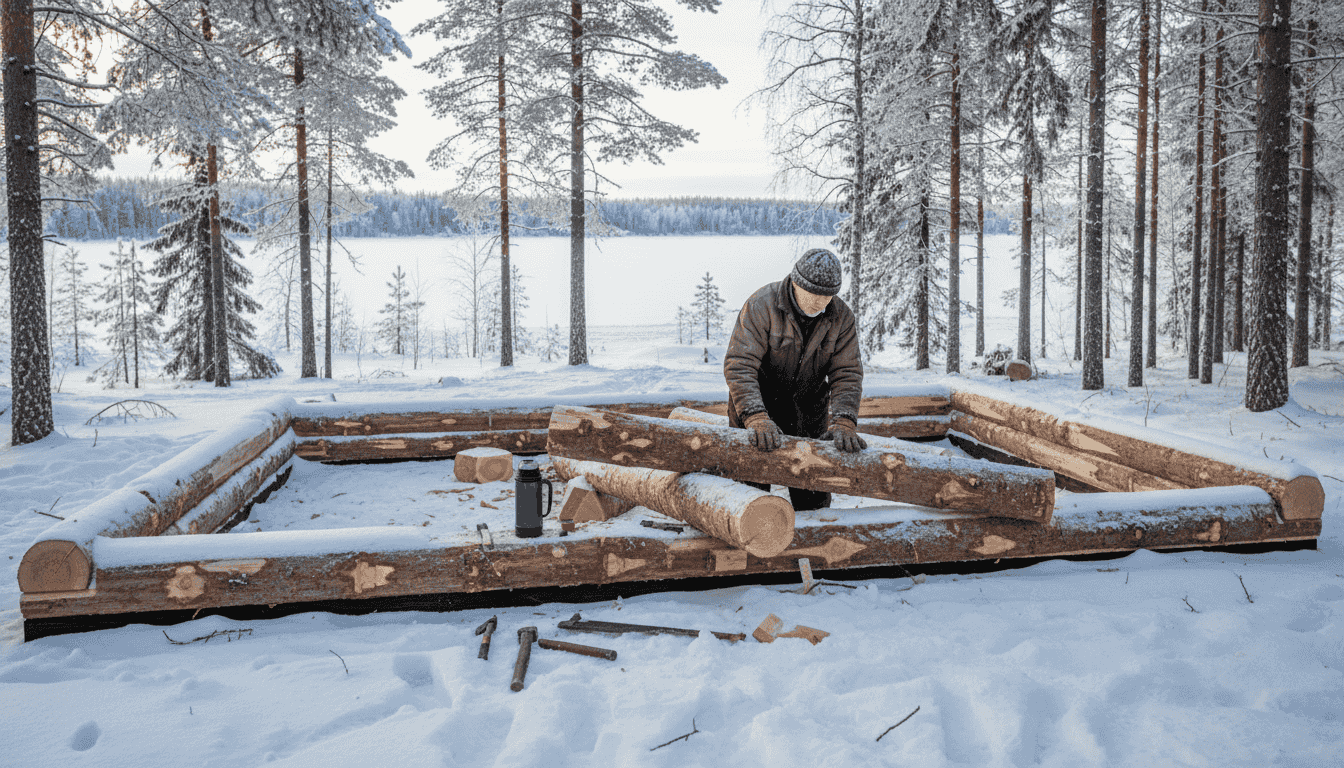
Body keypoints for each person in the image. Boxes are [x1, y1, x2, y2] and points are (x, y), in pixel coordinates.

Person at [723, 248, 865, 511]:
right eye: (813, 296)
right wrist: (754, 416)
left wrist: (844, 420)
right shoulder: (761, 305)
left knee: (814, 497)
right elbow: (740, 365)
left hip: (808, 411)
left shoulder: (841, 317)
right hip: (758, 409)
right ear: (796, 284)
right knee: (750, 497)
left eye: (827, 297)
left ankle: (814, 548)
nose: (820, 303)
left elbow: (847, 372)